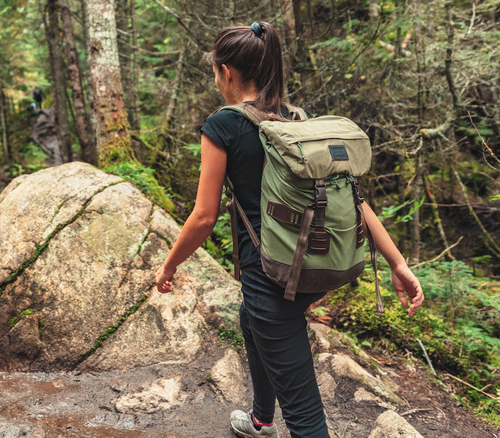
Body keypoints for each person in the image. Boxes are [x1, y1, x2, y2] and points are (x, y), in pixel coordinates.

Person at [154, 22, 424, 438]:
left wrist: (169, 267)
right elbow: (355, 199)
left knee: (305, 418)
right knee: (249, 320)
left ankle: (276, 419)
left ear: (226, 72)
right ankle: (261, 420)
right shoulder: (299, 121)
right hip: (313, 265)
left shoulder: (223, 126)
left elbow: (204, 217)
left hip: (271, 278)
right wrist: (398, 261)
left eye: (215, 72)